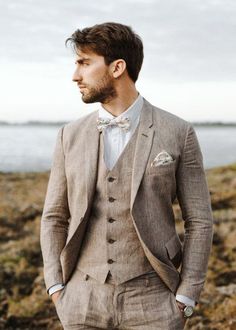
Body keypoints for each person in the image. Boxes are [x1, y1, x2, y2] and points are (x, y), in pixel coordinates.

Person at [40, 22, 213, 330]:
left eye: (84, 63)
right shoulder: (69, 135)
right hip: (81, 300)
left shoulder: (178, 132)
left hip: (154, 300)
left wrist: (187, 295)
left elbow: (199, 220)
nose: (75, 75)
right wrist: (56, 287)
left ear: (117, 67)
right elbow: (54, 216)